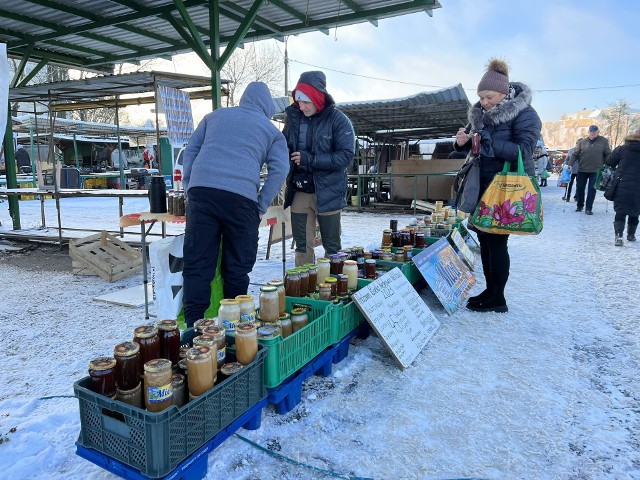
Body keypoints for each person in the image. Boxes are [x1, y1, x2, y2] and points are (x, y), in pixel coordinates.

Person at [181, 82, 289, 328]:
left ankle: (193, 328)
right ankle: (234, 326)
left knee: (198, 262)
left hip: (203, 192)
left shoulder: (214, 117)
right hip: (241, 200)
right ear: (267, 107)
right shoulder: (272, 132)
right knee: (237, 267)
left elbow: (190, 152)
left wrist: (190, 187)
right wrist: (260, 204)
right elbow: (280, 169)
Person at [453, 58, 541, 313]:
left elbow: (524, 151)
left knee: (498, 241)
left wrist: (489, 140)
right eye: (481, 97)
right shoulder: (479, 114)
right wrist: (463, 142)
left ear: (504, 91)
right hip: (482, 182)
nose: (485, 102)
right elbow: (476, 144)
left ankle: (498, 298)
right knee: (484, 238)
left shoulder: (525, 114)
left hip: (507, 187)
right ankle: (490, 290)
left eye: (489, 97)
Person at [283, 71, 356, 266]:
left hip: (329, 191)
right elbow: (283, 146)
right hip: (300, 190)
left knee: (332, 246)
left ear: (317, 97)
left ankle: (333, 289)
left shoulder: (338, 120)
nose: (302, 106)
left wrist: (310, 159)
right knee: (302, 245)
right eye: (299, 100)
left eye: (306, 101)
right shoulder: (293, 117)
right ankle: (303, 289)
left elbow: (345, 156)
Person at [605, 127, 640, 246]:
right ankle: (631, 235)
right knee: (635, 210)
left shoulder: (622, 149)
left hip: (622, 183)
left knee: (620, 210)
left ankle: (619, 237)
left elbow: (609, 161)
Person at [568, 125, 611, 215]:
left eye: (594, 132)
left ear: (598, 132)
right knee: (580, 188)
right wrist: (570, 164)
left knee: (592, 189)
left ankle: (588, 208)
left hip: (596, 170)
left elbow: (607, 153)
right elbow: (575, 154)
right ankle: (580, 205)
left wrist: (609, 163)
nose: (592, 133)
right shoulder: (582, 142)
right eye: (591, 132)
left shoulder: (603, 141)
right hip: (582, 169)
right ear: (589, 132)